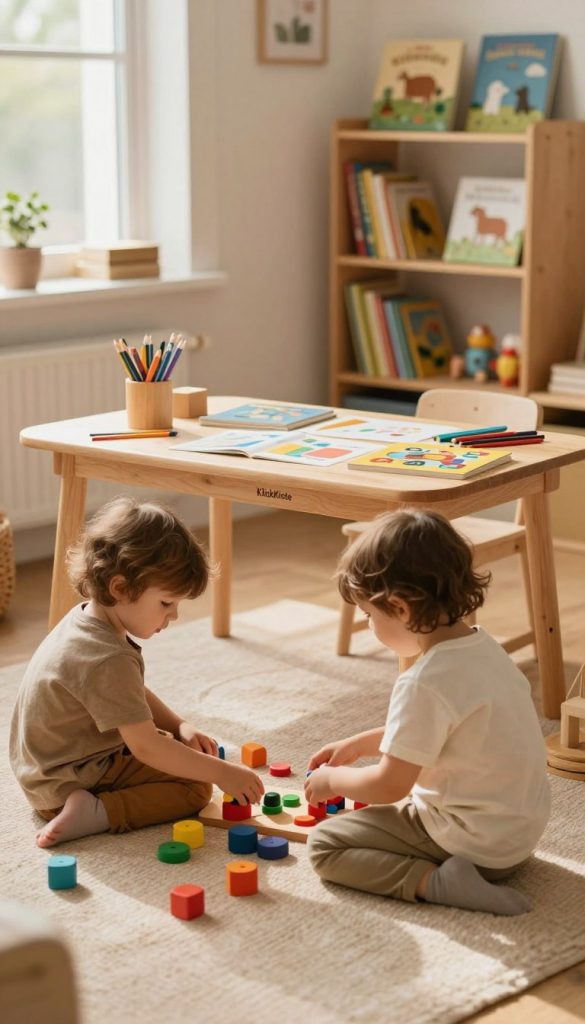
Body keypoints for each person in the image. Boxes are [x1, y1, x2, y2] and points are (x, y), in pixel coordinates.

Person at [305, 509, 550, 915]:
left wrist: (335, 780)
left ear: (400, 608)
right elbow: (452, 732)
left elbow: (388, 787)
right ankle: (455, 867)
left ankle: (437, 883)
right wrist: (362, 742)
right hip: (517, 838)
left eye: (369, 614)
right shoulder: (487, 650)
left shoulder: (424, 681)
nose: (369, 625)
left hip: (473, 846)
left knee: (326, 845)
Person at [10, 497, 264, 848]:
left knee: (174, 748)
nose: (173, 616)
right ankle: (98, 811)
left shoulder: (86, 619)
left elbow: (130, 694)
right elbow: (145, 747)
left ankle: (91, 802)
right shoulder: (106, 657)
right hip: (67, 782)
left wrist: (179, 726)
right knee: (194, 786)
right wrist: (223, 773)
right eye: (166, 603)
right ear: (120, 588)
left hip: (42, 772)